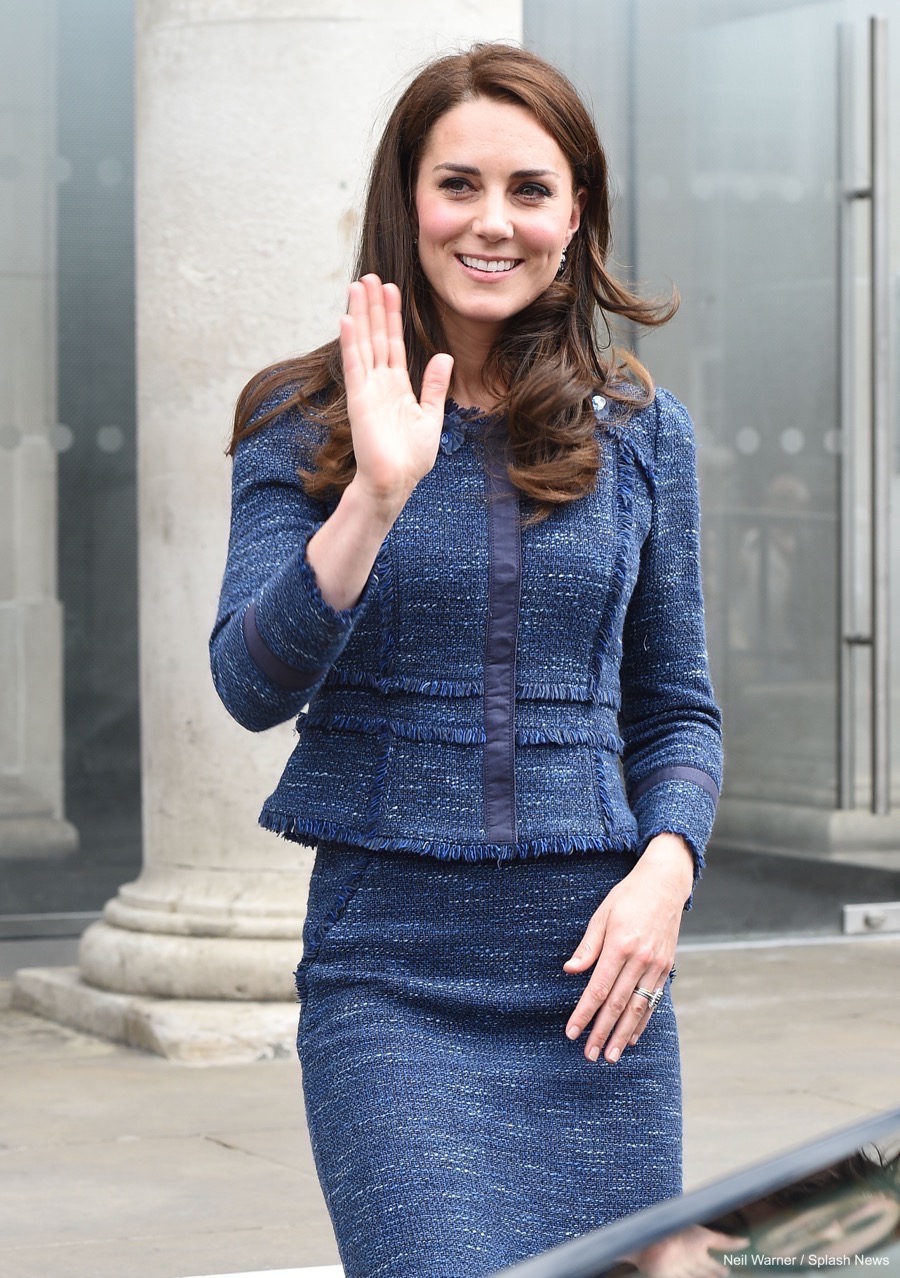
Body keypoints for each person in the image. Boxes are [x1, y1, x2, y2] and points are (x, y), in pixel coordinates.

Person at [209, 42, 723, 1278]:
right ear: (408, 199)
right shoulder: (301, 419)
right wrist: (375, 497)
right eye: (459, 185)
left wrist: (667, 870)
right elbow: (248, 681)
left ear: (574, 213)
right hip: (391, 979)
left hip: (598, 975)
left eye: (530, 189)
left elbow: (678, 709)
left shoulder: (643, 436)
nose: (493, 223)